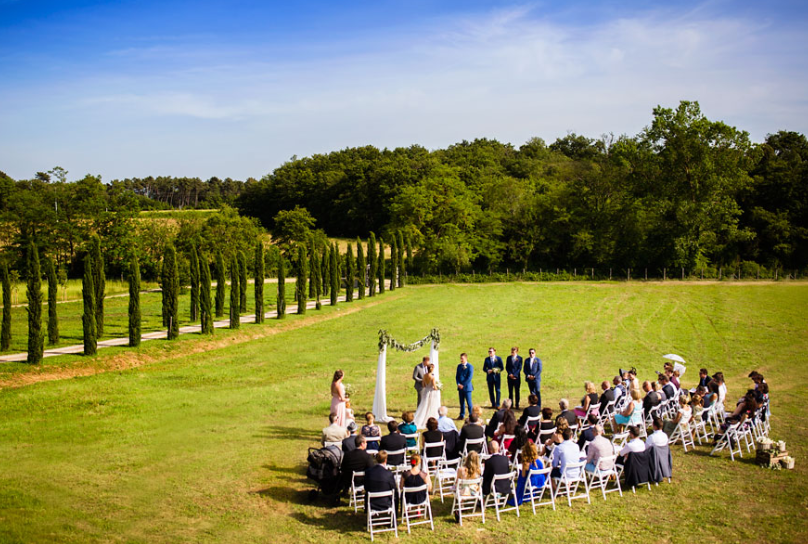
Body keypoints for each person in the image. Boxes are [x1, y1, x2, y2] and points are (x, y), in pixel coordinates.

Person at [507, 441, 545, 506]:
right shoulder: (540, 459)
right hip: (541, 481)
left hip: (532, 482)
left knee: (521, 478)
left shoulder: (526, 463)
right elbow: (543, 469)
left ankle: (519, 495)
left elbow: (523, 476)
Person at [413, 364, 441, 429]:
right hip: (431, 392)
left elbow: (423, 385)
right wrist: (438, 387)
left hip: (426, 391)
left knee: (424, 404)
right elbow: (434, 387)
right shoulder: (432, 377)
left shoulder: (424, 376)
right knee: (431, 405)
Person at [456, 353, 474, 420]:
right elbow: (457, 376)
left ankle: (471, 415)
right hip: (460, 388)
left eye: (462, 358)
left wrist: (463, 385)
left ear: (466, 358)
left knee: (469, 403)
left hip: (467, 387)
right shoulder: (459, 366)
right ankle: (461, 415)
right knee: (461, 402)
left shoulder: (470, 366)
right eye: (460, 358)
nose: (461, 360)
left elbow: (469, 378)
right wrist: (458, 384)